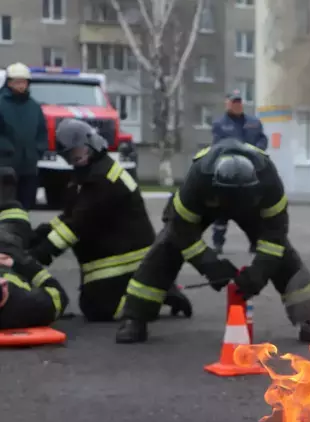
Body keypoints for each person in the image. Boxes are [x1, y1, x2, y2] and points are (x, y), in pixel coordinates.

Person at [114, 138, 310, 344]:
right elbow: (181, 229)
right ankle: (134, 317)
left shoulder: (268, 181)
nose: (234, 206)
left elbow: (274, 236)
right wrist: (208, 264)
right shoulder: (198, 180)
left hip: (254, 210)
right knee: (167, 245)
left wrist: (259, 272)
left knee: (282, 254)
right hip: (204, 207)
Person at [28, 118, 192, 322]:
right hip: (109, 257)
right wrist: (40, 234)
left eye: (79, 152)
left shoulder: (104, 179)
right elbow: (70, 216)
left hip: (128, 259)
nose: (76, 159)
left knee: (99, 311)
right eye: (70, 156)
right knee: (92, 306)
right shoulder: (86, 175)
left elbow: (76, 226)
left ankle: (154, 296)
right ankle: (151, 289)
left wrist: (40, 254)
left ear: (91, 144)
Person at [0, 168, 69, 329]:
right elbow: (59, 296)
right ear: (3, 285)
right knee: (14, 222)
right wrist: (23, 264)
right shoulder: (24, 305)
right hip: (10, 251)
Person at [210, 90, 269, 254]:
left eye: (239, 102)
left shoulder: (254, 122)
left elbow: (262, 139)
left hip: (251, 171)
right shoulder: (220, 124)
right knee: (222, 211)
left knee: (253, 210)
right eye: (233, 102)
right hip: (229, 173)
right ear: (227, 103)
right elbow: (217, 145)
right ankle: (218, 244)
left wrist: (257, 149)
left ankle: (255, 242)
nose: (237, 105)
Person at [0, 63, 48, 209]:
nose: (21, 85)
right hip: (5, 166)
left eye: (24, 82)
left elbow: (41, 131)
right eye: (17, 82)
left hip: (28, 167)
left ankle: (21, 230)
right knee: (5, 205)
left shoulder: (34, 106)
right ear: (9, 83)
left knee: (25, 206)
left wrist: (38, 151)